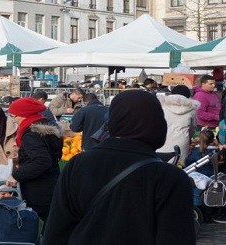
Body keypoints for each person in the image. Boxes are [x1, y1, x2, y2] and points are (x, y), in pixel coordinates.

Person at [42, 90, 195, 245]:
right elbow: (176, 236)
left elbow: (57, 228)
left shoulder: (79, 164)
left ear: (112, 121)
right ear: (157, 124)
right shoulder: (169, 177)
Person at [6, 97, 62, 223]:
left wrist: (16, 176)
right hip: (50, 184)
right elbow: (49, 154)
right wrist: (23, 156)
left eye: (14, 116)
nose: (13, 120)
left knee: (42, 225)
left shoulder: (31, 133)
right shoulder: (47, 128)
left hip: (39, 189)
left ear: (23, 115)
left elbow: (42, 161)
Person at [157, 85, 200, 165]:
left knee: (161, 166)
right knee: (178, 166)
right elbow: (192, 129)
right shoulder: (191, 108)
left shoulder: (162, 106)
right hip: (181, 141)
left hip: (162, 139)